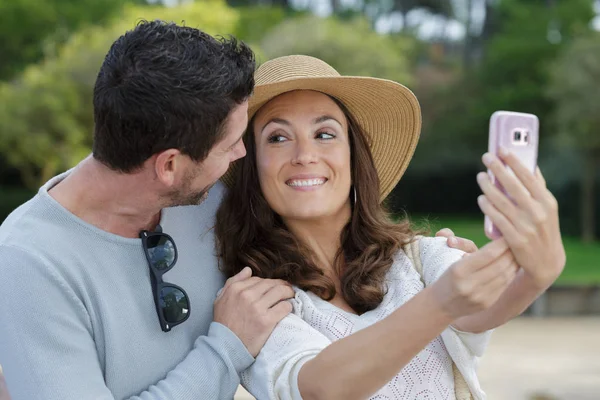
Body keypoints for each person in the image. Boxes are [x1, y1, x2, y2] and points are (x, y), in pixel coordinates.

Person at [0, 22, 475, 400]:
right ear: (169, 165)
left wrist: (431, 260)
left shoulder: (205, 197)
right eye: (231, 146)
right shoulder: (29, 264)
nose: (242, 160)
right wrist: (224, 349)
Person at [215, 55, 566, 400]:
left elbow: (480, 310)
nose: (304, 155)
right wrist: (439, 303)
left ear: (353, 155)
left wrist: (534, 276)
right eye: (277, 138)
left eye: (324, 134)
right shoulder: (252, 303)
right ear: (252, 167)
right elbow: (320, 388)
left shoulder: (418, 257)